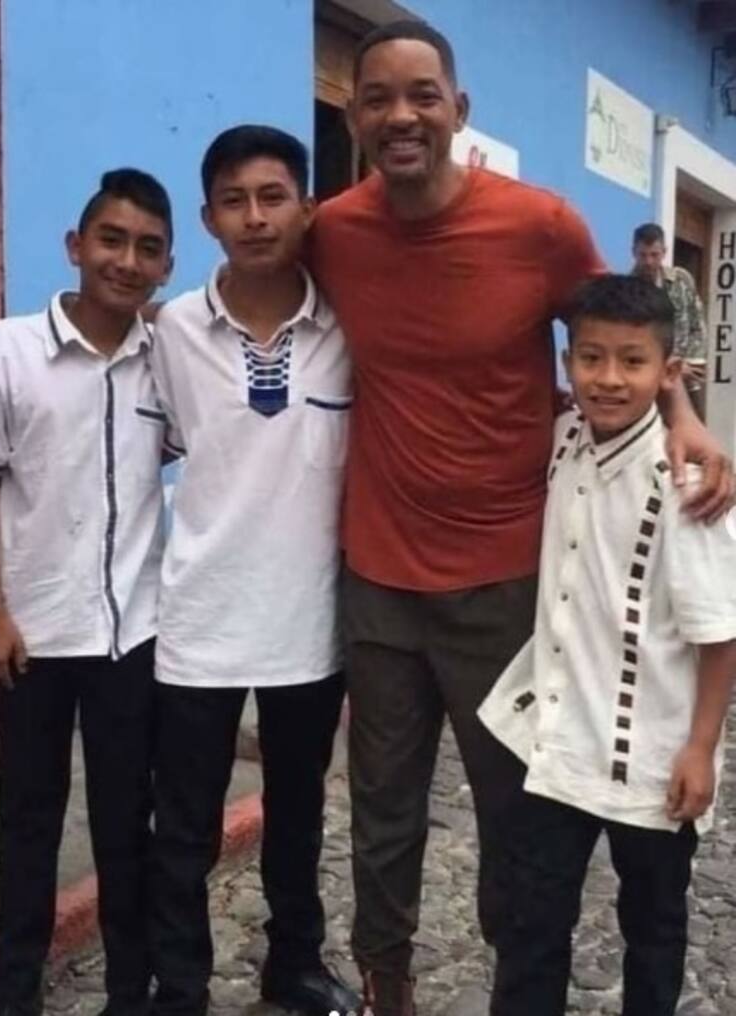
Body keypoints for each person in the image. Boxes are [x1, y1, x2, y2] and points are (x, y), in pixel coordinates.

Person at [309, 19, 733, 1016]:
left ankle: (519, 980)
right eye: (378, 98)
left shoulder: (538, 227)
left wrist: (682, 415)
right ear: (354, 115)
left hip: (505, 583)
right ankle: (385, 982)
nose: (401, 115)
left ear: (458, 109)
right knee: (380, 809)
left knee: (515, 819)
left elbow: (619, 331)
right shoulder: (333, 231)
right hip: (377, 572)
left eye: (423, 95)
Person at [0, 169, 174, 1016]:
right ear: (76, 246)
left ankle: (130, 991)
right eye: (111, 240)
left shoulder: (165, 362)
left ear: (166, 267)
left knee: (126, 823)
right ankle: (13, 995)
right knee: (29, 822)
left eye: (148, 248)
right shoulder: (8, 351)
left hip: (130, 637)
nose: (126, 261)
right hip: (28, 637)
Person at [479, 273, 736, 1016]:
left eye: (632, 361)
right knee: (532, 923)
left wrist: (700, 748)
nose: (610, 378)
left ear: (666, 371)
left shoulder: (688, 485)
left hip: (653, 755)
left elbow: (720, 633)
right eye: (591, 358)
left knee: (653, 926)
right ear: (568, 364)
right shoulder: (565, 438)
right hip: (557, 744)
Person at [148, 126, 360, 1016]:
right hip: (198, 615)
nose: (255, 217)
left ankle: (295, 965)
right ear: (208, 219)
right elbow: (142, 448)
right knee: (183, 823)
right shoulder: (172, 332)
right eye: (234, 201)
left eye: (273, 197)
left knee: (298, 812)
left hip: (308, 619)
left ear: (307, 208)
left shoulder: (348, 323)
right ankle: (179, 984)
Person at [632, 222, 708, 416]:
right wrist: (667, 367)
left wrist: (691, 364)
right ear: (634, 253)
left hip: (686, 377)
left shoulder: (681, 280)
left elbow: (697, 324)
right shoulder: (628, 290)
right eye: (643, 255)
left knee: (694, 426)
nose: (649, 261)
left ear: (664, 252)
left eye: (654, 255)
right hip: (648, 379)